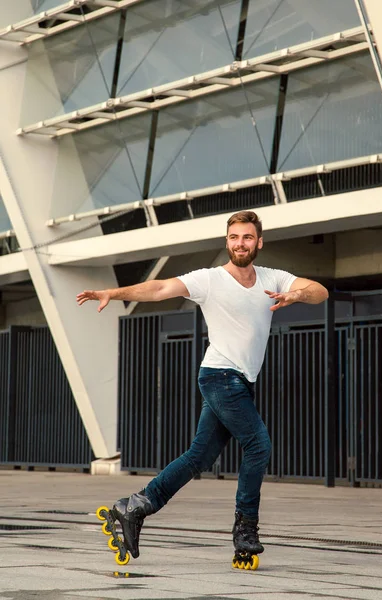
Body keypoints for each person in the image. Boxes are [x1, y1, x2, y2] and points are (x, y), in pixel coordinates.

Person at [77, 210, 328, 566]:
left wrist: (297, 295)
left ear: (259, 241)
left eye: (246, 237)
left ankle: (132, 508)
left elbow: (321, 291)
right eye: (233, 238)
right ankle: (246, 528)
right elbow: (160, 288)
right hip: (220, 375)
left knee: (199, 457)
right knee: (258, 444)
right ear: (226, 242)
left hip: (239, 380)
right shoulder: (210, 279)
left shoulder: (273, 278)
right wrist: (112, 292)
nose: (240, 244)